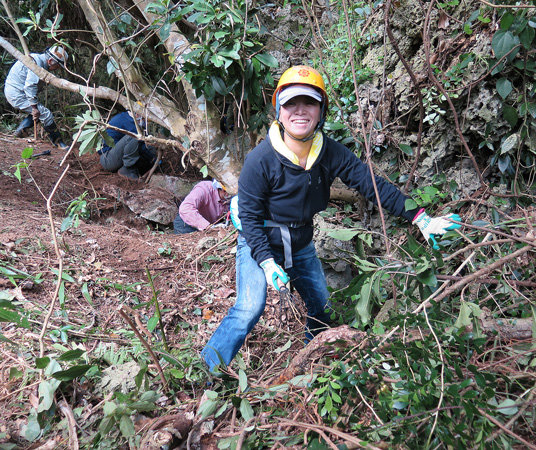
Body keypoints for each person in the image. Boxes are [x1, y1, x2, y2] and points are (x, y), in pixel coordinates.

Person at [200, 65, 462, 372]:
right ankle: (207, 369)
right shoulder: (262, 159)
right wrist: (267, 262)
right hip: (259, 240)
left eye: (308, 102)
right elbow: (250, 217)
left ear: (321, 110)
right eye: (290, 103)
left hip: (300, 241)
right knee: (249, 307)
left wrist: (420, 216)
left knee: (322, 305)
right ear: (278, 110)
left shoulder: (330, 153)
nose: (299, 111)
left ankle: (313, 360)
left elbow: (371, 185)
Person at [4, 45, 70, 149]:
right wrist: (34, 107)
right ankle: (58, 142)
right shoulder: (36, 63)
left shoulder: (38, 60)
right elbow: (30, 86)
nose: (57, 69)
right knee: (45, 114)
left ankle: (22, 130)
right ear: (51, 61)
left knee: (39, 111)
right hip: (16, 93)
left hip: (16, 91)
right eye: (57, 66)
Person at [99, 107, 156, 180]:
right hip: (108, 159)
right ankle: (128, 169)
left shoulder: (127, 118)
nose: (145, 122)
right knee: (133, 137)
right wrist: (153, 158)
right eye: (144, 119)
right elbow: (141, 144)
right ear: (138, 114)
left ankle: (132, 168)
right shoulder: (128, 122)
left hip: (114, 155)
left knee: (148, 148)